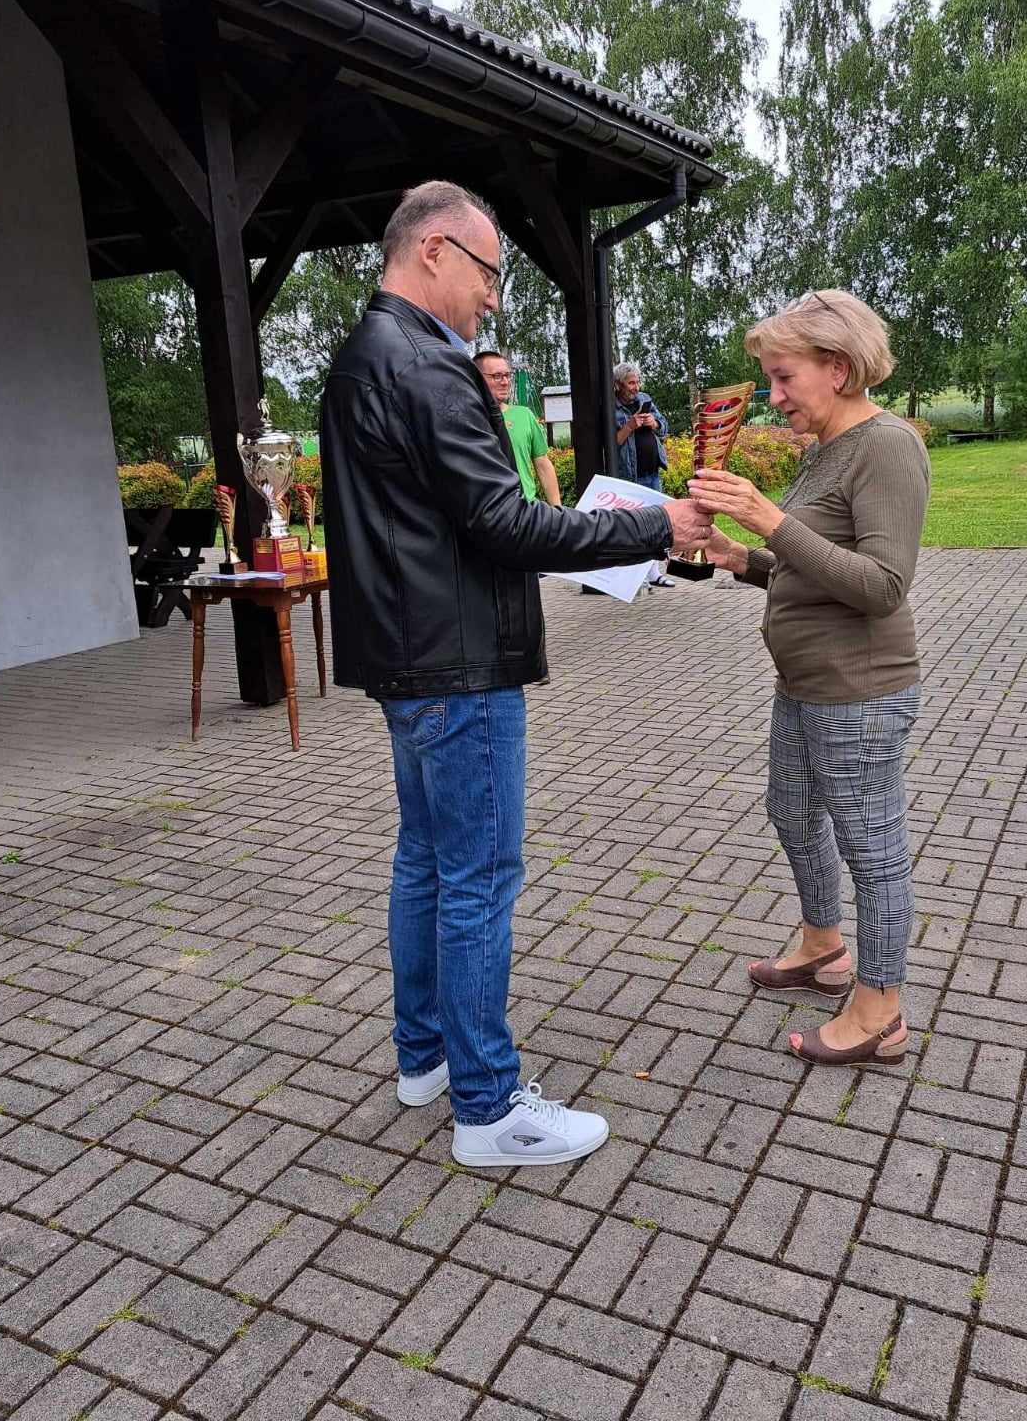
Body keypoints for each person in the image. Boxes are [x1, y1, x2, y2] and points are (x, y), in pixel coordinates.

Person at [320, 180, 712, 1166]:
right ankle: (490, 1109)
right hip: (459, 663)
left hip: (405, 658)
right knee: (478, 878)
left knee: (426, 860)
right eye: (489, 274)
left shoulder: (361, 356)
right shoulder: (429, 364)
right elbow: (503, 521)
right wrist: (652, 524)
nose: (493, 297)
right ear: (435, 250)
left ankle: (425, 1059)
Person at [688, 289, 930, 1068]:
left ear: (839, 368)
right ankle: (823, 946)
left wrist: (769, 520)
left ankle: (880, 1009)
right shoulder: (825, 448)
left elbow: (882, 585)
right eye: (769, 379)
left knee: (872, 848)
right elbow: (809, 564)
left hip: (861, 691)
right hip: (803, 683)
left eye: (784, 377)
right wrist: (743, 558)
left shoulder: (887, 447)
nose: (774, 396)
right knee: (791, 812)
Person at [613, 362, 674, 587]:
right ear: (618, 385)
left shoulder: (644, 399)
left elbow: (665, 427)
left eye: (637, 382)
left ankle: (654, 574)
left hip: (652, 474)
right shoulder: (611, 408)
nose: (636, 387)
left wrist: (653, 423)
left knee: (656, 524)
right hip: (630, 477)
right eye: (631, 383)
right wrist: (629, 426)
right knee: (635, 528)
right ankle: (635, 577)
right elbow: (610, 444)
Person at [473, 351, 562, 506]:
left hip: (526, 509)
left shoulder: (524, 415)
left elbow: (542, 464)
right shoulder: (468, 419)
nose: (505, 382)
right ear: (477, 378)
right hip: (486, 512)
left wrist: (557, 509)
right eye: (497, 376)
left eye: (507, 375)